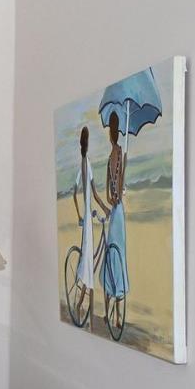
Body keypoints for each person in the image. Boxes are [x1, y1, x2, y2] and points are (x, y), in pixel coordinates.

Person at [92, 110, 128, 301]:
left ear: (109, 133)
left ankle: (109, 300)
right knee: (119, 252)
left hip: (113, 209)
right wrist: (125, 168)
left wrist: (111, 200)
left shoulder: (109, 158)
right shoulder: (121, 153)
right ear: (119, 131)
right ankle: (117, 298)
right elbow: (120, 188)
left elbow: (109, 194)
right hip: (119, 211)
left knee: (110, 252)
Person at [74, 126, 96, 287]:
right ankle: (83, 292)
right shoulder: (87, 162)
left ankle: (83, 294)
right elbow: (94, 194)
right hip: (87, 214)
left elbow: (75, 194)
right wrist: (105, 208)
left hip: (86, 212)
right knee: (88, 254)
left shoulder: (82, 163)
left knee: (87, 253)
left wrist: (78, 215)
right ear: (87, 143)